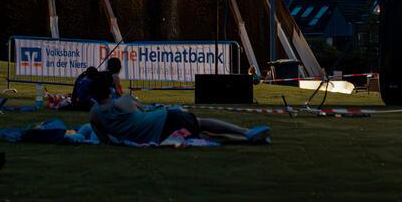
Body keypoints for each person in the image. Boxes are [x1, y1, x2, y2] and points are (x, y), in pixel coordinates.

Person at [86, 73, 268, 145]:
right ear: (110, 89)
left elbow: (104, 138)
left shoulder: (95, 114)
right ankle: (246, 132)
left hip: (157, 136)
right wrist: (119, 89)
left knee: (204, 137)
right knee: (201, 124)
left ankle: (247, 140)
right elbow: (140, 110)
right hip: (165, 120)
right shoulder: (122, 102)